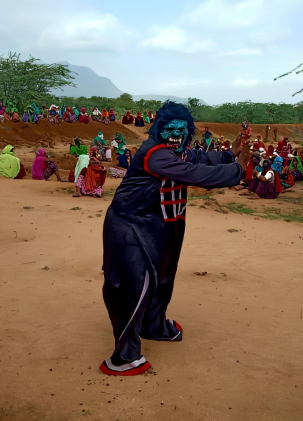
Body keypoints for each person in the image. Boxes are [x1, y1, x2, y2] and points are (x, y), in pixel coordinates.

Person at [100, 101, 244, 376]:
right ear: (159, 129)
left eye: (182, 129)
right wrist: (237, 169)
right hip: (131, 225)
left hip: (163, 225)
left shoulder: (176, 151)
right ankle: (123, 356)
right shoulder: (155, 154)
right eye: (170, 128)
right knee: (133, 286)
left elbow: (197, 160)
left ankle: (154, 326)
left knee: (162, 279)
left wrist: (229, 154)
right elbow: (195, 173)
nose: (176, 134)